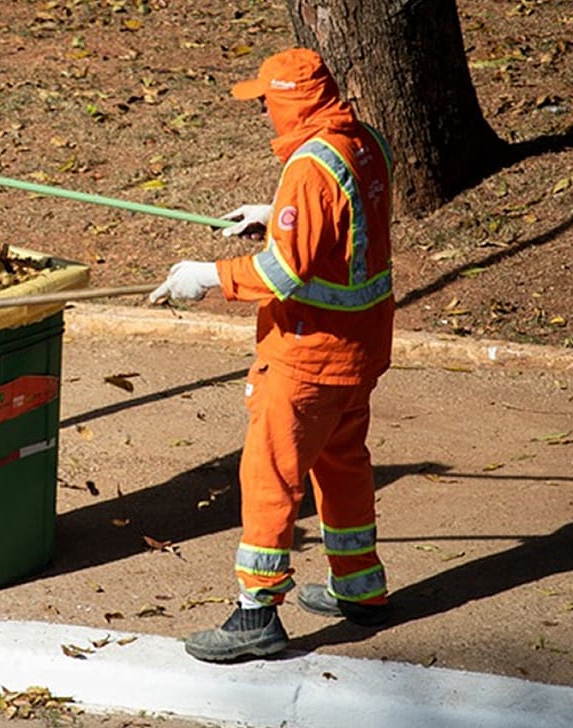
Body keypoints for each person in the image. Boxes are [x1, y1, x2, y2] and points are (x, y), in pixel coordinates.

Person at [149, 47, 396, 662]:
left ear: (290, 100)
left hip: (306, 355)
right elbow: (344, 229)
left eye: (267, 99)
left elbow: (284, 274)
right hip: (359, 350)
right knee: (342, 464)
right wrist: (274, 216)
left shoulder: (310, 168)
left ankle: (256, 614)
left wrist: (206, 276)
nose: (263, 109)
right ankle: (359, 587)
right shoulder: (363, 142)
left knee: (270, 477)